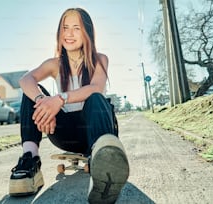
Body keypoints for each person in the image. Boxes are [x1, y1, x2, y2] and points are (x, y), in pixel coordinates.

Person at [8, 7, 130, 203]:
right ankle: (29, 162)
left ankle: (104, 172)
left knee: (95, 97)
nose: (69, 33)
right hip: (63, 133)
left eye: (76, 28)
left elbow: (96, 87)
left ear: (87, 33)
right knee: (31, 93)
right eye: (65, 27)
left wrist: (60, 98)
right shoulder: (55, 63)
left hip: (95, 133)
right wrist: (42, 103)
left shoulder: (99, 60)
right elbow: (25, 79)